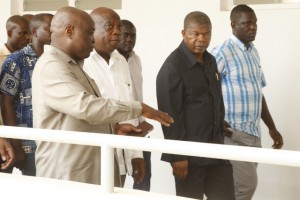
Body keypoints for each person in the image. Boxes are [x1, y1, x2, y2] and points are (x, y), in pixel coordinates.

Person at [31, 6, 173, 186]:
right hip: (67, 175)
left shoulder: (73, 65)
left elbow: (77, 119)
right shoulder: (53, 66)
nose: (93, 39)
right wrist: (139, 108)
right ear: (69, 31)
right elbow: (86, 107)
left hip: (89, 169)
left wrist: (114, 128)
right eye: (90, 32)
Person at [156, 11, 235, 200]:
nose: (202, 39)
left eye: (207, 34)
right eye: (195, 34)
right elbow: (169, 117)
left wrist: (218, 121)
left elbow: (210, 98)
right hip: (189, 158)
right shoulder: (172, 68)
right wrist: (178, 156)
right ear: (183, 33)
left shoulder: (210, 60)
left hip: (217, 152)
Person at [211, 4, 283, 200]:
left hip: (254, 134)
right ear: (233, 24)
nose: (253, 27)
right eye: (247, 23)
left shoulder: (253, 52)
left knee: (235, 189)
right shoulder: (223, 51)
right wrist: (215, 119)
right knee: (245, 187)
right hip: (232, 133)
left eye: (255, 23)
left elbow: (257, 93)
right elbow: (204, 87)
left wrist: (272, 128)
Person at [84, 8, 146, 188]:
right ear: (92, 30)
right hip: (95, 157)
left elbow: (130, 109)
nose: (117, 32)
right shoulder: (83, 63)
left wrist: (136, 154)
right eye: (109, 26)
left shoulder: (121, 61)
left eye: (118, 27)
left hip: (122, 155)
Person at [0, 13, 53, 176]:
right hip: (26, 142)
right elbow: (5, 102)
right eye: (50, 28)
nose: (54, 32)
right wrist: (16, 145)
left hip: (51, 140)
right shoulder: (16, 60)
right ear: (35, 31)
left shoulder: (54, 60)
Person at [117, 19, 151, 191]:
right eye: (125, 35)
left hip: (141, 129)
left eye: (133, 36)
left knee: (144, 180)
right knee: (118, 183)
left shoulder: (136, 60)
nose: (129, 40)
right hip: (121, 131)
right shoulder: (110, 63)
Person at [0, 15, 30, 131]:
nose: (28, 37)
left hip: (26, 129)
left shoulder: (30, 59)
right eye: (22, 33)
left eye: (28, 33)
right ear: (9, 33)